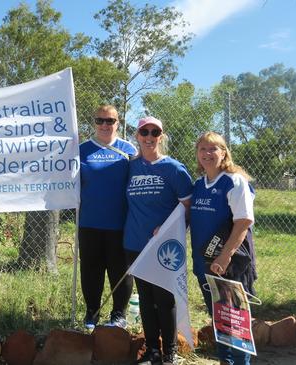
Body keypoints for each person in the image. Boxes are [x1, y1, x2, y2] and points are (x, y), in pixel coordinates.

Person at [123, 117, 193, 365]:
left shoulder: (173, 168)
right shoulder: (130, 166)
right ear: (137, 135)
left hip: (164, 249)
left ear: (161, 136)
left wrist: (167, 230)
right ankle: (152, 349)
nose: (149, 136)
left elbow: (187, 204)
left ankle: (169, 351)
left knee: (164, 299)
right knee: (145, 298)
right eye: (144, 131)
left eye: (155, 132)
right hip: (135, 243)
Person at [190, 131, 256, 365]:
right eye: (203, 149)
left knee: (235, 322)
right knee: (220, 320)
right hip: (205, 264)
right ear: (197, 154)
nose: (207, 153)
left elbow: (243, 222)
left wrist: (225, 256)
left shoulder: (234, 181)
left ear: (224, 152)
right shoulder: (199, 185)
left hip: (230, 265)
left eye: (213, 149)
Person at [78, 105, 136, 330]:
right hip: (89, 222)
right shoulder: (82, 150)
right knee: (91, 270)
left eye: (110, 121)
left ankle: (118, 314)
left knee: (120, 270)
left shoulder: (128, 150)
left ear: (118, 123)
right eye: (100, 120)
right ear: (94, 122)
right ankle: (91, 312)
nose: (104, 125)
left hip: (121, 224)